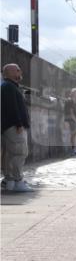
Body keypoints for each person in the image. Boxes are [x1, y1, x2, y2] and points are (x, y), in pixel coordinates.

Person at [1, 63, 31, 192]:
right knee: (19, 153)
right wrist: (18, 124)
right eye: (18, 70)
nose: (20, 72)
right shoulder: (9, 86)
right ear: (11, 72)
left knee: (10, 154)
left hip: (9, 126)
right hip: (14, 126)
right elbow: (12, 107)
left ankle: (9, 181)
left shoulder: (8, 86)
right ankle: (18, 181)